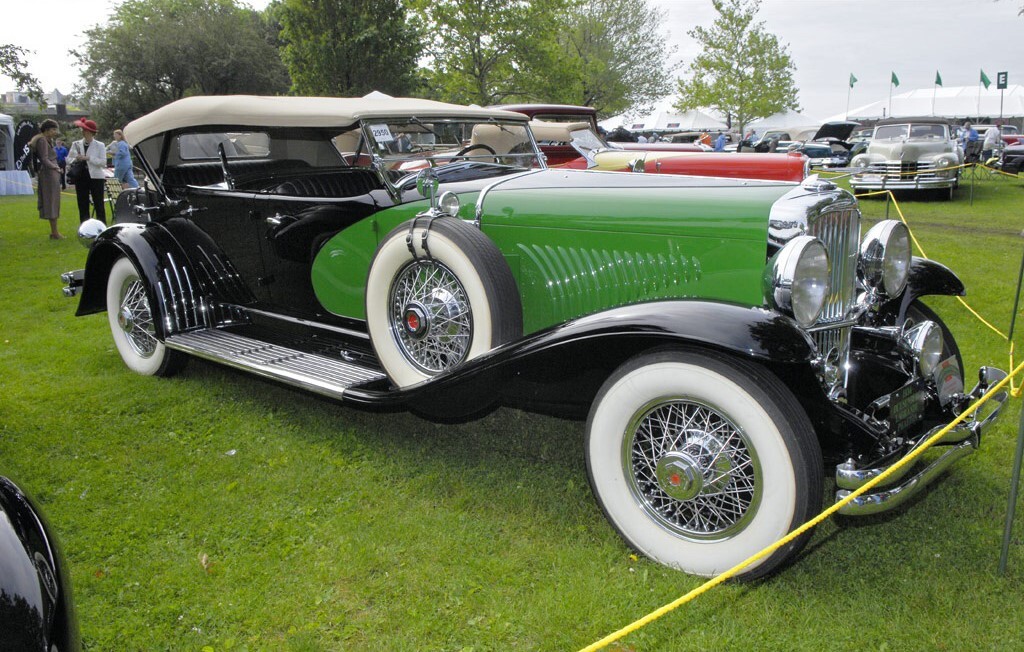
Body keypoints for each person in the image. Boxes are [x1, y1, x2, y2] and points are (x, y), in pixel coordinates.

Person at [68, 118, 107, 224]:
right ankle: (85, 226)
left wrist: (88, 158)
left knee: (99, 203)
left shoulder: (100, 145)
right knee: (82, 203)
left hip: (96, 177)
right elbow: (68, 159)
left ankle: (101, 225)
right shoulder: (76, 144)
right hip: (81, 176)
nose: (83, 132)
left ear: (90, 132)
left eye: (85, 130)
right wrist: (76, 159)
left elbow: (103, 162)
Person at [30, 119, 63, 239]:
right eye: (53, 129)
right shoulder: (42, 140)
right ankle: (55, 232)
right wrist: (55, 167)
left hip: (51, 173)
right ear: (47, 130)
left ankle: (55, 231)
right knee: (51, 201)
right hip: (48, 174)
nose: (55, 132)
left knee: (53, 201)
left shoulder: (47, 140)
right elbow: (44, 159)